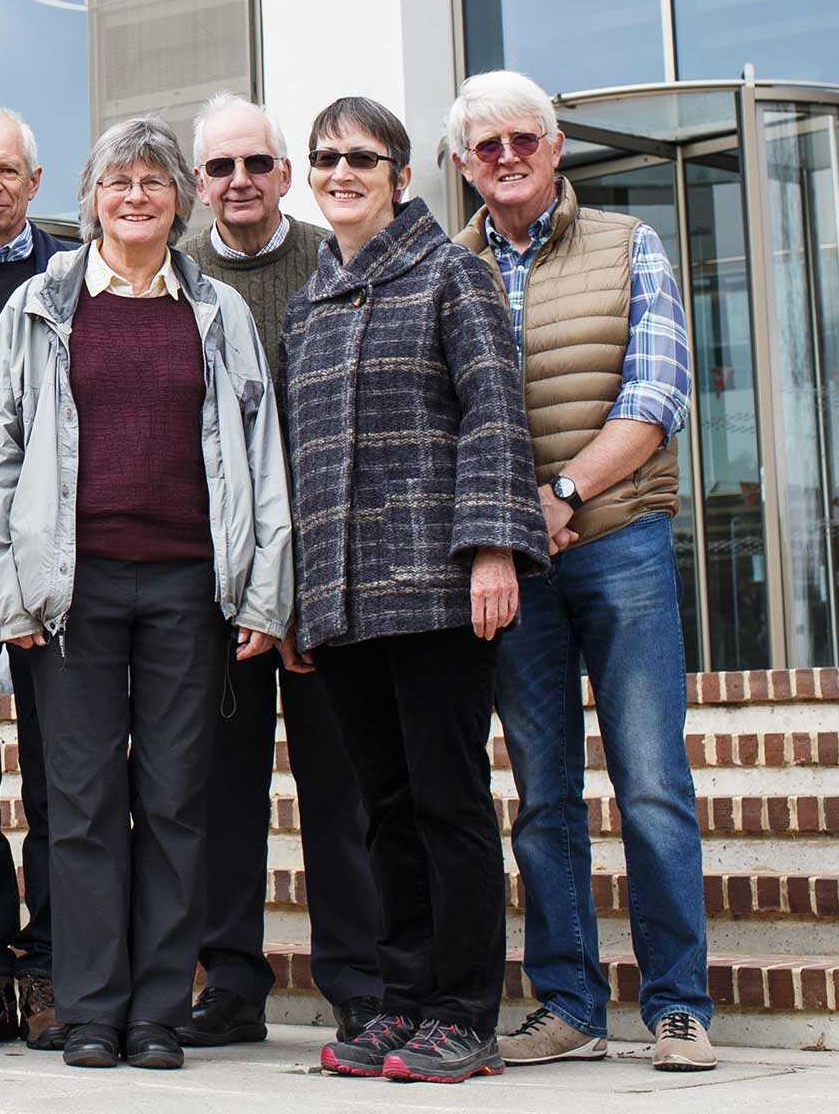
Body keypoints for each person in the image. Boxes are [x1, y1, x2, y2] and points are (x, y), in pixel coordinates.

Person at [0, 115, 292, 1071]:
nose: (136, 195)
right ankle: (91, 1006)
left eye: (153, 181)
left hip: (192, 586)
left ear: (178, 198)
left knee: (179, 798)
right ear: (91, 198)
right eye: (118, 181)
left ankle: (157, 1010)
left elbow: (260, 456)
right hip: (75, 590)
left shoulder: (218, 313)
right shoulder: (41, 306)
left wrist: (264, 592)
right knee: (83, 801)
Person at [449, 69, 712, 1072]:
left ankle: (680, 1003)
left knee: (650, 780)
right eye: (486, 146)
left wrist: (558, 497)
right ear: (465, 163)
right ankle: (570, 1003)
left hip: (618, 543)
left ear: (555, 147)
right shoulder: (454, 264)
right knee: (545, 793)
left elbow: (657, 395)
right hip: (515, 568)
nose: (506, 157)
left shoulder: (628, 246)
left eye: (523, 138)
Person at [285, 96, 548, 1085]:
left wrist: (492, 550)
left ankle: (461, 1012)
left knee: (447, 801)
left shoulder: (454, 273)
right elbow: (297, 458)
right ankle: (401, 999)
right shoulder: (310, 303)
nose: (341, 170)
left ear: (401, 174)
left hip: (438, 586)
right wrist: (302, 596)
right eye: (326, 156)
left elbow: (493, 413)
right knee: (381, 807)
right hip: (344, 597)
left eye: (362, 155)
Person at [183, 94, 384, 1047]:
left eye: (256, 165)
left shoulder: (333, 262)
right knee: (221, 796)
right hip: (216, 594)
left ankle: (362, 982)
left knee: (341, 794)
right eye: (220, 169)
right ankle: (230, 983)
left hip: (326, 588)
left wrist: (303, 587)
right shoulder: (171, 278)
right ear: (199, 183)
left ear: (286, 175)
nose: (239, 183)